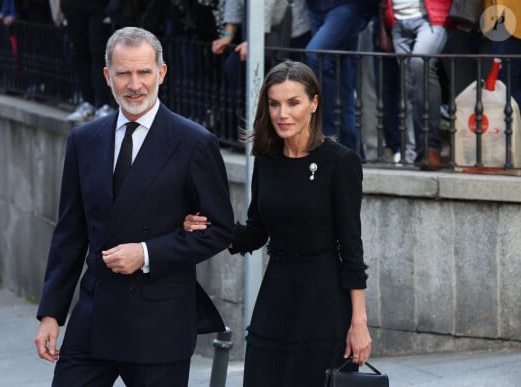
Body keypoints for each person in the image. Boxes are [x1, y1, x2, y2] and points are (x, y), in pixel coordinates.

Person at [34, 26, 235, 386]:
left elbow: (219, 230)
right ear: (108, 76)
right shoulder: (84, 140)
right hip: (94, 318)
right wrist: (51, 314)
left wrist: (145, 253)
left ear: (161, 73)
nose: (134, 84)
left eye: (144, 72)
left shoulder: (194, 142)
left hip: (160, 324)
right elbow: (70, 232)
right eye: (124, 73)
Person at [184, 60, 372, 387]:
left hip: (324, 303)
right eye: (274, 104)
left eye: (293, 102)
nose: (282, 113)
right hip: (276, 298)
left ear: (314, 104)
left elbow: (351, 247)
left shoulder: (340, 162)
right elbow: (256, 231)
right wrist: (211, 229)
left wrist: (359, 321)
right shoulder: (267, 161)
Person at [383, 0, 453, 170]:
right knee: (412, 89)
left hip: (430, 17)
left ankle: (432, 147)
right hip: (397, 21)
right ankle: (422, 151)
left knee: (420, 62)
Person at [305, 0, 379, 155]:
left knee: (316, 55)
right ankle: (350, 152)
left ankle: (328, 143)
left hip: (349, 6)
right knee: (343, 79)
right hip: (317, 7)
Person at [62, 0, 115, 122]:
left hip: (99, 6)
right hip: (74, 7)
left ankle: (104, 104)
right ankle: (88, 102)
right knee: (80, 54)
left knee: (99, 53)